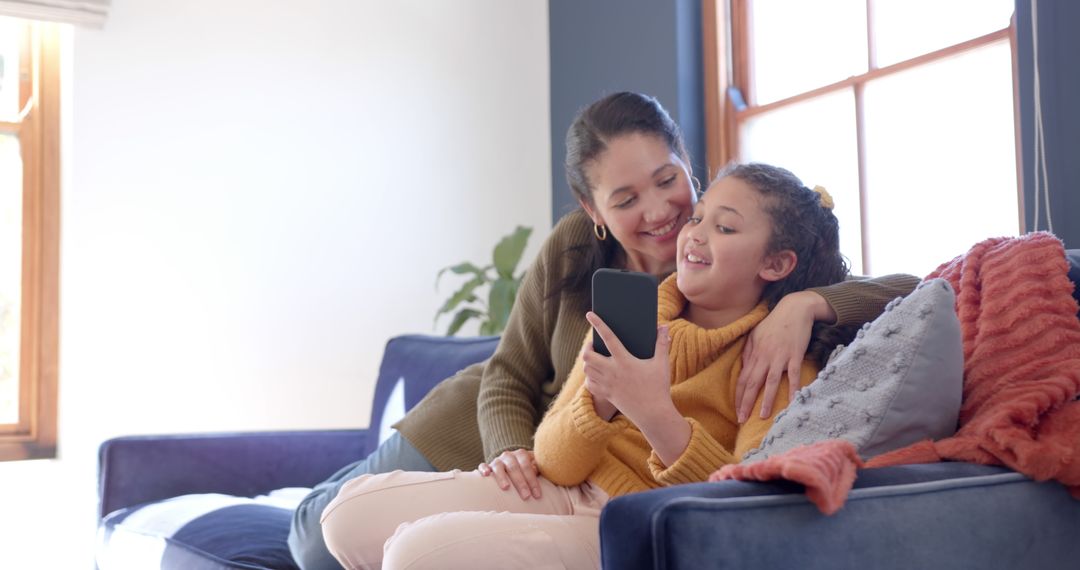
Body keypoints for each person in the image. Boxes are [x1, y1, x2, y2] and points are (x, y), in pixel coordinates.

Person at [288, 92, 918, 569]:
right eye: (624, 199)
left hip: (591, 483)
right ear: (593, 211)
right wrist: (516, 449)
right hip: (477, 429)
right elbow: (508, 373)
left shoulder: (750, 276)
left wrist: (805, 304)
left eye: (669, 181)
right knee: (319, 529)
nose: (664, 215)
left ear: (687, 164)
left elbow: (910, 289)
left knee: (408, 546)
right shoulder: (582, 253)